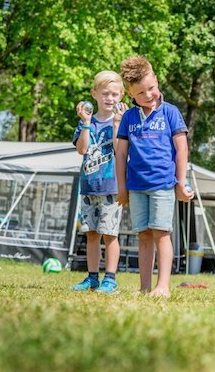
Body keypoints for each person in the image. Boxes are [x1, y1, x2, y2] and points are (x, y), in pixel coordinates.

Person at [116, 55, 194, 297]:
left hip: (162, 184)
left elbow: (182, 149)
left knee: (161, 233)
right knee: (144, 236)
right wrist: (121, 188)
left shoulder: (171, 113)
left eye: (151, 88)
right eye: (140, 93)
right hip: (136, 186)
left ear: (157, 81)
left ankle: (163, 286)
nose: (148, 95)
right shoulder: (128, 118)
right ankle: (145, 287)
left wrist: (181, 184)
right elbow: (120, 154)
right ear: (130, 94)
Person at [72, 70, 127, 294]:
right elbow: (82, 149)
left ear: (121, 95)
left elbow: (118, 148)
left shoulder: (122, 122)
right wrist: (85, 123)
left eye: (115, 94)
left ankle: (110, 279)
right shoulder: (87, 123)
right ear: (94, 94)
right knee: (91, 234)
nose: (109, 98)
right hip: (89, 186)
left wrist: (116, 124)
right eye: (104, 93)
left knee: (110, 234)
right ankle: (92, 277)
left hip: (111, 188)